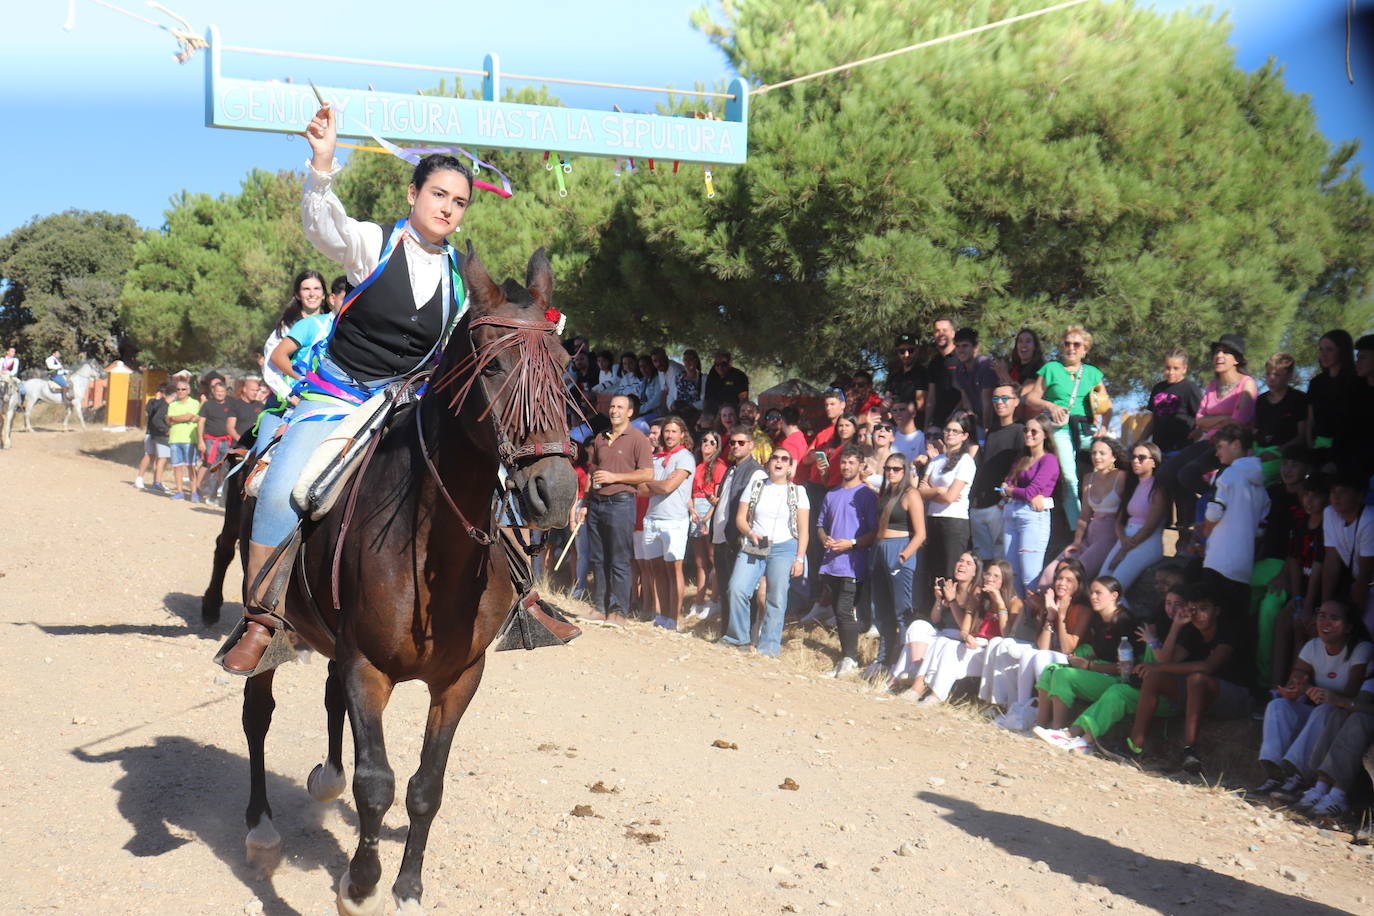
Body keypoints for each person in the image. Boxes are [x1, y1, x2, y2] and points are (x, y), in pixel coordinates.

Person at [220, 101, 481, 672]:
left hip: (407, 409)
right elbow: (322, 224)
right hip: (335, 401)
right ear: (413, 194)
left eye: (459, 202)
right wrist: (322, 164)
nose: (448, 208)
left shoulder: (460, 280)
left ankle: (519, 601)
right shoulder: (373, 244)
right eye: (439, 194)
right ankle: (264, 619)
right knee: (283, 488)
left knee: (494, 473)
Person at [1126, 583, 1252, 773]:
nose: (1197, 615)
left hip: (1236, 698)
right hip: (1200, 696)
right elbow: (1169, 660)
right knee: (1155, 677)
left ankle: (1189, 750)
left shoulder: (1228, 631)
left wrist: (1158, 665)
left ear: (1216, 611)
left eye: (1204, 609)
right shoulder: (1192, 631)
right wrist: (1176, 626)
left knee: (1196, 678)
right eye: (1193, 609)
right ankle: (1135, 746)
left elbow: (1208, 667)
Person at [1253, 599, 1370, 802]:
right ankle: (1275, 773)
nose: (1325, 622)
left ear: (1349, 627)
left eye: (1334, 618)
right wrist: (1292, 691)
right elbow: (1296, 682)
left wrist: (1309, 690)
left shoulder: (1362, 649)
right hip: (1317, 712)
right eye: (1322, 615)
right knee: (1278, 705)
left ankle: (1300, 776)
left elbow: (1351, 693)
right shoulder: (1312, 646)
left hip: (1340, 718)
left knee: (1325, 709)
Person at [1157, 334, 1257, 544]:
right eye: (1217, 351)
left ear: (1237, 358)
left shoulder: (1246, 384)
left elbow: (1239, 422)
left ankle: (1216, 502)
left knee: (1187, 474)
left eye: (1226, 351)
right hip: (1208, 442)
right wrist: (1223, 418)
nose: (1219, 355)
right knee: (1167, 473)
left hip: (1230, 445)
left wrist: (1214, 421)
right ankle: (1188, 524)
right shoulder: (1212, 385)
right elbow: (1199, 420)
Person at [1031, 576, 1137, 750]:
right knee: (1051, 669)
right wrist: (1081, 659)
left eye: (1098, 593)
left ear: (1114, 596)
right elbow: (1100, 650)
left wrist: (1088, 666)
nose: (1093, 597)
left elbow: (1125, 668)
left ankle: (1059, 731)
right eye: (1092, 593)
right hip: (1100, 671)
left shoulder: (1124, 621)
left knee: (1063, 675)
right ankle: (1042, 725)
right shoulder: (1100, 620)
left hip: (1117, 679)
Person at [722, 447, 809, 655]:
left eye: (784, 459)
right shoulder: (756, 485)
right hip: (755, 542)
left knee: (776, 597)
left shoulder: (798, 491)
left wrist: (800, 559)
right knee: (736, 588)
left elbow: (804, 531)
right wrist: (749, 532)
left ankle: (769, 647)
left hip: (784, 546)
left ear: (789, 466)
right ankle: (738, 638)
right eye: (775, 458)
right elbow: (740, 518)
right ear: (769, 463)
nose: (779, 462)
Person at [1022, 324, 1110, 529]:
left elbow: (1107, 406)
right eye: (1067, 343)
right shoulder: (1051, 369)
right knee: (1069, 477)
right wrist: (1050, 406)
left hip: (1086, 428)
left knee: (1112, 457)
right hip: (1060, 429)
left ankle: (1108, 513)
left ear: (1085, 348)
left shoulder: (1092, 373)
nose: (1071, 348)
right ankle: (1077, 527)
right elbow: (1031, 398)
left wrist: (1104, 428)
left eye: (1077, 344)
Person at [979, 557, 1089, 719]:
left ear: (1078, 585)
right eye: (1059, 578)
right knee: (1003, 643)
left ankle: (1030, 710)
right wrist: (1050, 615)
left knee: (1036, 655)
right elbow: (1043, 644)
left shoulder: (1083, 609)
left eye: (1069, 580)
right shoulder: (1050, 602)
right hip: (1049, 651)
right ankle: (1011, 705)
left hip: (1072, 657)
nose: (1062, 583)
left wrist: (1061, 615)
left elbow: (1067, 648)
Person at [1200, 425, 1270, 670]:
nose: (1218, 454)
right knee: (1235, 629)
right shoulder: (1261, 484)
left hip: (1218, 562)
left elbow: (1214, 511)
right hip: (1243, 567)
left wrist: (1206, 529)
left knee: (1212, 627)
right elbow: (1261, 529)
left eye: (1220, 447)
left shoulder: (1228, 475)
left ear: (1237, 444)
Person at [585, 395, 654, 625]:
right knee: (598, 557)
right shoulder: (600, 437)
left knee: (619, 560)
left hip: (621, 503)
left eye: (620, 407)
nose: (614, 410)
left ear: (630, 412)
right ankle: (600, 607)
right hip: (596, 503)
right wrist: (585, 504)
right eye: (612, 406)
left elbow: (647, 474)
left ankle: (619, 611)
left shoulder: (638, 439)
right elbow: (592, 469)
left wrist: (615, 477)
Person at [909, 559, 1018, 705]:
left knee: (948, 646)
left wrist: (999, 603)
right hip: (973, 645)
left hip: (991, 652)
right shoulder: (978, 597)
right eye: (987, 574)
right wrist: (967, 637)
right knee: (944, 643)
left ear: (1005, 580)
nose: (990, 579)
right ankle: (921, 691)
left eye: (996, 576)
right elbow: (964, 630)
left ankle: (933, 695)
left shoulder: (1015, 603)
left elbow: (1007, 635)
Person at [816, 446, 880, 676]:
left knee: (844, 610)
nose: (846, 466)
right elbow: (820, 525)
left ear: (861, 465)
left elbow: (875, 531)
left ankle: (850, 658)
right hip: (831, 561)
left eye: (851, 462)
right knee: (839, 610)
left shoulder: (867, 495)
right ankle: (847, 655)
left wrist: (851, 543)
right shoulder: (831, 494)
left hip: (854, 563)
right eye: (843, 462)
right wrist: (824, 539)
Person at [1039, 437, 1126, 589]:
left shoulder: (1122, 477)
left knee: (1075, 572)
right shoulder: (1088, 478)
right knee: (1049, 572)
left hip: (1110, 534)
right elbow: (1085, 514)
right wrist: (1077, 541)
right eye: (1094, 453)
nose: (1097, 457)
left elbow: (1125, 511)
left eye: (1102, 453)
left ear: (1113, 456)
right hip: (1090, 534)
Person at [868, 452, 926, 680]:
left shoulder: (911, 494)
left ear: (905, 471)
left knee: (902, 612)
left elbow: (921, 533)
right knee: (882, 610)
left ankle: (905, 664)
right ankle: (883, 660)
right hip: (880, 549)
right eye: (888, 468)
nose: (891, 472)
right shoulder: (885, 493)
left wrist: (904, 555)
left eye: (896, 469)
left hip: (899, 549)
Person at [914, 412, 977, 614]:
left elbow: (951, 497)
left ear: (964, 436)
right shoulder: (936, 461)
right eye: (948, 430)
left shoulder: (966, 461)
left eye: (955, 431)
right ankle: (932, 613)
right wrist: (939, 491)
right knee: (933, 570)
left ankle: (952, 615)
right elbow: (920, 492)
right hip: (933, 519)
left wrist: (935, 492)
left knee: (951, 572)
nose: (950, 434)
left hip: (955, 521)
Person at [640, 416, 695, 630]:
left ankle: (673, 618)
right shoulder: (656, 458)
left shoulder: (685, 457)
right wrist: (659, 483)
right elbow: (641, 490)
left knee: (674, 570)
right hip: (652, 517)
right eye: (667, 431)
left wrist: (654, 484)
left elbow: (667, 488)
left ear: (682, 434)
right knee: (657, 569)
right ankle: (662, 615)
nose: (669, 435)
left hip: (674, 520)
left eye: (674, 431)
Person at [1000, 416, 1061, 595]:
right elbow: (1005, 485)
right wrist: (1010, 490)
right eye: (1026, 430)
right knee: (1013, 575)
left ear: (1045, 435)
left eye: (1034, 431)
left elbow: (1029, 493)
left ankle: (1036, 618)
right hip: (1012, 514)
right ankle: (1021, 619)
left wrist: (1010, 491)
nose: (1028, 434)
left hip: (1032, 516)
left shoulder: (1049, 460)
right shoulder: (1022, 458)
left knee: (1030, 577)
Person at [712, 429, 764, 636]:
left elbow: (755, 507)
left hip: (739, 538)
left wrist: (744, 533)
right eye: (732, 443)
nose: (735, 446)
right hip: (722, 535)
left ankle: (745, 636)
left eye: (741, 443)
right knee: (726, 588)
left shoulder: (756, 472)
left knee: (742, 590)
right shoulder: (731, 468)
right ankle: (727, 633)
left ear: (751, 445)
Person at [1099, 442, 1168, 593]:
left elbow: (1149, 527)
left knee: (1114, 589)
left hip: (1147, 540)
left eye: (1141, 457)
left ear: (1154, 462)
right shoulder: (1132, 485)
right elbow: (1119, 521)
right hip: (1126, 537)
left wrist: (1123, 550)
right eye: (1133, 457)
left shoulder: (1158, 489)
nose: (1135, 461)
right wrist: (1122, 540)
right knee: (1101, 582)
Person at [969, 383, 1024, 562]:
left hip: (1001, 504)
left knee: (1001, 560)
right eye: (995, 398)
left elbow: (1020, 467)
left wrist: (1003, 500)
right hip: (980, 503)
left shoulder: (1021, 431)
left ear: (1016, 401)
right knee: (982, 559)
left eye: (1004, 398)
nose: (999, 402)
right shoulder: (991, 431)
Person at [261, 269, 328, 404]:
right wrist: (289, 396)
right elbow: (270, 368)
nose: (312, 294)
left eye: (316, 288)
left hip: (327, 395)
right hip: (288, 398)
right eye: (306, 289)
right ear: (298, 294)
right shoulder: (286, 328)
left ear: (324, 294)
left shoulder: (332, 323)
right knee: (270, 426)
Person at [1320, 472, 1374, 636]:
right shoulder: (1329, 513)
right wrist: (1324, 609)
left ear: (1359, 496)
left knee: (1364, 633)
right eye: (1332, 491)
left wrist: (1353, 621)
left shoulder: (1370, 521)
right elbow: (1331, 564)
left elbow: (1365, 576)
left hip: (1368, 586)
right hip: (1358, 586)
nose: (1335, 496)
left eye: (1342, 491)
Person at [687, 429, 726, 619]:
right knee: (700, 560)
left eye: (712, 442)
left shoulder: (719, 466)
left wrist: (707, 517)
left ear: (717, 447)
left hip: (709, 512)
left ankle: (715, 599)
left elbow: (717, 498)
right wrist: (692, 510)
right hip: (695, 511)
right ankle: (699, 601)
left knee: (713, 558)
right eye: (704, 440)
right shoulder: (696, 466)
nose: (707, 444)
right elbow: (690, 492)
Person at [1254, 352, 1307, 483]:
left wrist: (1278, 451)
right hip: (1259, 452)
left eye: (1277, 375)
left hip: (1283, 454)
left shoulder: (1298, 399)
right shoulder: (1260, 400)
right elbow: (1256, 431)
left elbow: (1302, 435)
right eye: (1267, 374)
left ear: (1289, 376)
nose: (1271, 378)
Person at [1142, 347, 1202, 462]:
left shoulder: (1190, 388)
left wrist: (1198, 430)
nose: (1171, 372)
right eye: (1167, 368)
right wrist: (1141, 439)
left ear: (1184, 369)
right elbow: (1153, 419)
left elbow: (1201, 415)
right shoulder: (1158, 388)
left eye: (1176, 368)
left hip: (1181, 449)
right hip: (1158, 449)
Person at [1307, 329, 1356, 453]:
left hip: (1349, 447)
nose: (1323, 354)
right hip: (1319, 446)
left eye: (1329, 349)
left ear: (1342, 350)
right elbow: (1311, 418)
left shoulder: (1356, 379)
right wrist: (1309, 443)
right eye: (1321, 349)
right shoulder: (1316, 383)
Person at [190, 379, 237, 504]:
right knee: (209, 465)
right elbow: (201, 422)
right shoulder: (207, 405)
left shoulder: (230, 405)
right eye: (217, 391)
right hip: (211, 440)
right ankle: (199, 489)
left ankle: (216, 492)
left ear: (225, 392)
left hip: (226, 441)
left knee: (223, 467)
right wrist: (201, 441)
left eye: (222, 391)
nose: (220, 394)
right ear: (213, 392)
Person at [950, 328, 999, 428]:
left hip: (995, 422)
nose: (960, 350)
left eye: (965, 346)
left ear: (976, 348)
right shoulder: (959, 368)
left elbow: (987, 404)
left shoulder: (985, 366)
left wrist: (986, 434)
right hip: (977, 421)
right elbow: (966, 401)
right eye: (958, 346)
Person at [164, 379, 200, 501]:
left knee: (191, 466)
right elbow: (168, 420)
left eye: (183, 389)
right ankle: (179, 491)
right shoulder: (173, 404)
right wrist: (185, 418)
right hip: (175, 439)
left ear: (188, 390)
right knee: (177, 467)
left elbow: (192, 417)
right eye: (178, 389)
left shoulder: (194, 403)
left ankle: (194, 492)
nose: (180, 391)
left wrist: (175, 418)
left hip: (190, 439)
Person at [133, 382, 172, 493]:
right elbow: (149, 411)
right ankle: (139, 478)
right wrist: (157, 400)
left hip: (160, 435)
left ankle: (157, 481)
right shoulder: (153, 402)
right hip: (150, 433)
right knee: (149, 455)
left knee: (159, 458)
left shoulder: (167, 404)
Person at [925, 318, 960, 428]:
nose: (941, 334)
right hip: (939, 422)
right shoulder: (934, 362)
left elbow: (968, 392)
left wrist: (954, 415)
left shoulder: (962, 357)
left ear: (953, 333)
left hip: (960, 421)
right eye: (937, 331)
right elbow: (931, 398)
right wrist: (926, 425)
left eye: (945, 330)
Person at [886, 333, 928, 414]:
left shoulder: (923, 373)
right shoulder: (894, 376)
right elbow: (886, 403)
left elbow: (920, 405)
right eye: (902, 351)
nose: (906, 355)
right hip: (894, 421)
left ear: (917, 350)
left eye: (911, 350)